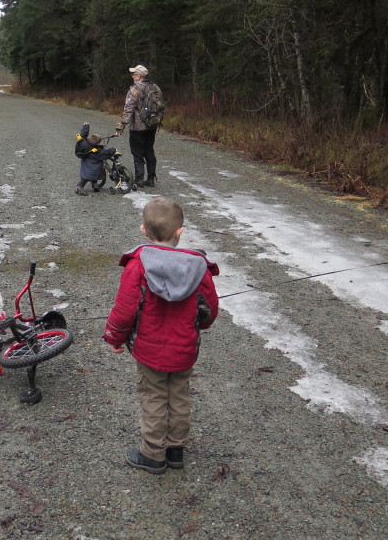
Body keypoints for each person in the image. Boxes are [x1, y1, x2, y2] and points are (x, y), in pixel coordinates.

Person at [103, 197, 219, 474]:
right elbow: (210, 309)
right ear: (180, 231)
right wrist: (198, 327)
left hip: (148, 351)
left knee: (154, 399)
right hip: (184, 350)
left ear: (144, 230)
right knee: (179, 397)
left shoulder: (138, 265)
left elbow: (125, 309)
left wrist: (115, 337)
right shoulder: (198, 267)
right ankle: (176, 451)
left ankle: (153, 454)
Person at [116, 64, 159, 187]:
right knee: (149, 151)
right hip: (152, 125)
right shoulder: (155, 87)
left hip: (137, 127)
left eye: (134, 74)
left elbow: (128, 109)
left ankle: (139, 180)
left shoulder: (134, 89)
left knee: (137, 152)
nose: (132, 76)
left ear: (139, 76)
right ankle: (151, 179)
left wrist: (122, 126)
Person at [74, 122, 116, 195]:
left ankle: (94, 185)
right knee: (88, 176)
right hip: (90, 169)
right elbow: (105, 153)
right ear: (97, 144)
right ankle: (78, 187)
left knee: (96, 170)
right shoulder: (96, 152)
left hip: (87, 163)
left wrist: (86, 126)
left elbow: (83, 134)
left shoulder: (83, 142)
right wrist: (114, 149)